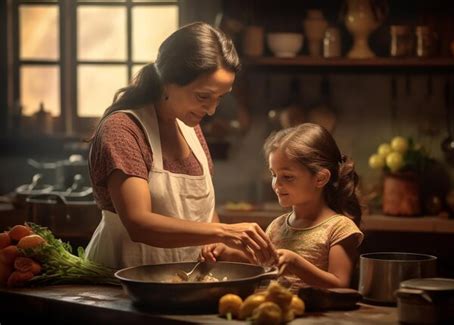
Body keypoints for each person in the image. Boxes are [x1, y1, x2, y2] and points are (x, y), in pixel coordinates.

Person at [85, 22, 276, 269]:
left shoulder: (191, 129)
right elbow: (138, 224)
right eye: (203, 96)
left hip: (179, 283)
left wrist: (223, 247)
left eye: (220, 97)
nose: (211, 110)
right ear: (168, 82)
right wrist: (223, 232)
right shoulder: (123, 129)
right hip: (116, 282)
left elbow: (205, 217)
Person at [202, 123, 364, 292]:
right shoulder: (277, 226)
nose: (276, 184)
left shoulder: (340, 228)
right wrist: (227, 253)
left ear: (320, 179)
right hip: (276, 312)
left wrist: (296, 264)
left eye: (287, 177)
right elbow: (264, 264)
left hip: (316, 316)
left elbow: (340, 285)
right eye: (273, 174)